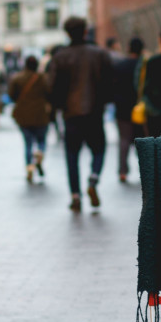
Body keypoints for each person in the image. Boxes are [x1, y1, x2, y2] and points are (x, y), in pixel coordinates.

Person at [48, 16, 112, 212]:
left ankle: (75, 195)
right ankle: (93, 178)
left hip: (71, 114)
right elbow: (109, 82)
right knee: (99, 149)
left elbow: (53, 87)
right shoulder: (99, 54)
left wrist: (58, 108)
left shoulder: (60, 57)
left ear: (67, 33)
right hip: (94, 112)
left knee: (71, 155)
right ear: (85, 31)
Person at [8, 55, 51, 182]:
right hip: (41, 114)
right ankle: (40, 153)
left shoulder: (17, 78)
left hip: (23, 115)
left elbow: (11, 95)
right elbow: (50, 93)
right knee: (41, 140)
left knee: (28, 143)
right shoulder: (43, 78)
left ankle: (29, 167)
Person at [112, 37, 145, 182]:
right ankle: (144, 168)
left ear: (128, 48)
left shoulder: (120, 65)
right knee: (142, 140)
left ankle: (122, 171)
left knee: (124, 140)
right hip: (141, 109)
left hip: (122, 108)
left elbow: (113, 87)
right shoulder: (144, 66)